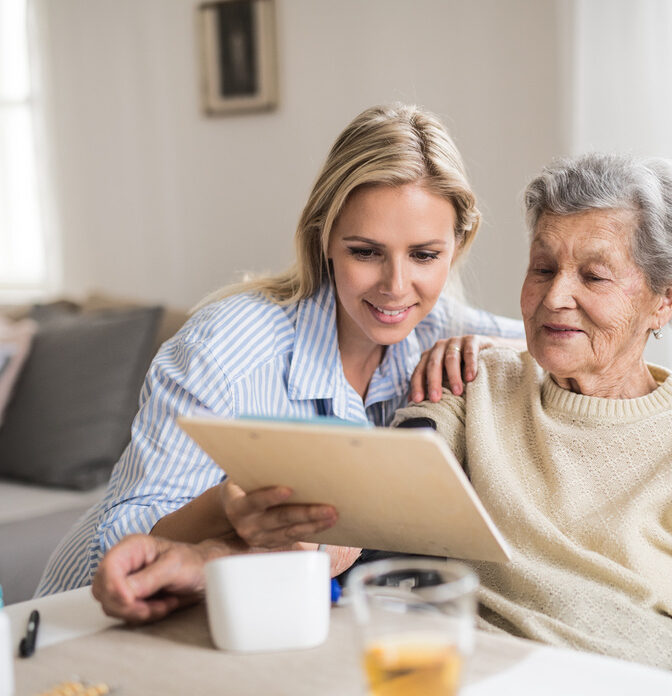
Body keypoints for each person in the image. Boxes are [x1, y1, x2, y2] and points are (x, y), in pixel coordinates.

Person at [89, 152, 672, 695]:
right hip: (441, 674)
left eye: (592, 276)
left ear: (665, 300)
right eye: (541, 268)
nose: (554, 297)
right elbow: (346, 530)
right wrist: (205, 559)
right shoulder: (468, 383)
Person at [36, 103, 523, 597]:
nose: (396, 286)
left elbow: (555, 342)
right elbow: (119, 542)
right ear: (324, 237)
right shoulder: (223, 350)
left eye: (424, 255)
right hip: (82, 613)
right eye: (365, 252)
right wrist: (223, 507)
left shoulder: (441, 328)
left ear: (458, 246)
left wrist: (491, 346)